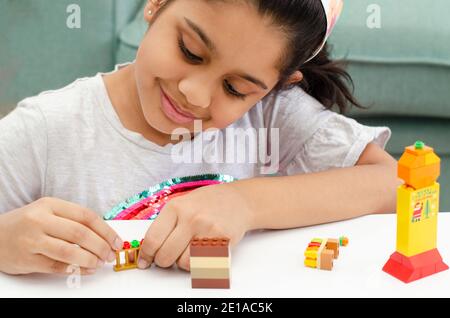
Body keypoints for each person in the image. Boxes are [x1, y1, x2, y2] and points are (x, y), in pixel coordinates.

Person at [0, 0, 399, 275]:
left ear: (276, 86)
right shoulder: (47, 128)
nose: (196, 94)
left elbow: (398, 185)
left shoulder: (271, 114)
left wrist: (245, 203)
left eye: (236, 89)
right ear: (156, 3)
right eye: (190, 51)